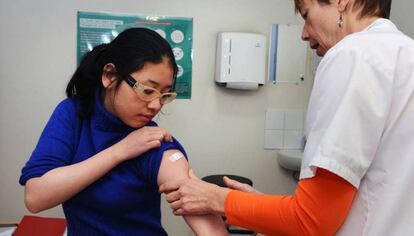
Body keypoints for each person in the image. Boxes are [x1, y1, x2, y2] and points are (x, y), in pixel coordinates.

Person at [160, 0, 414, 235]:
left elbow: (312, 221)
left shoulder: (352, 54)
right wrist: (257, 205)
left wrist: (215, 199)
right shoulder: (404, 52)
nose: (304, 33)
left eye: (306, 14)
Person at [19, 28, 226, 236]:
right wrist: (119, 151)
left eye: (165, 94)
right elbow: (35, 197)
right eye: (147, 90)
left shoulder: (154, 142)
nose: (156, 105)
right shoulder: (73, 113)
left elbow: (209, 228)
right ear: (110, 76)